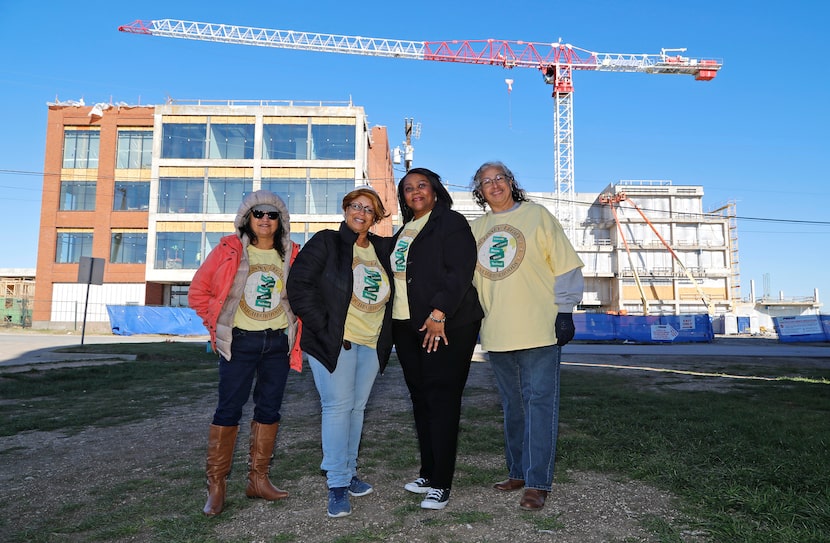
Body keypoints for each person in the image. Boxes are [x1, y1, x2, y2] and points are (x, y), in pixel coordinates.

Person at [469, 161, 584, 511]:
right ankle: (518, 471)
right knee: (512, 407)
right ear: (479, 192)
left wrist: (565, 311)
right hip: (497, 333)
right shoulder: (475, 229)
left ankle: (537, 483)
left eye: (499, 178)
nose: (494, 185)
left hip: (539, 329)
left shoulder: (537, 215)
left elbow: (566, 265)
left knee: (539, 406)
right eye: (485, 182)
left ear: (511, 182)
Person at [188, 189, 302, 517]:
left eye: (272, 214)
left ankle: (258, 480)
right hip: (239, 343)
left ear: (281, 221)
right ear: (247, 219)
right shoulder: (229, 250)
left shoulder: (291, 254)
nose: (265, 219)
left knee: (269, 408)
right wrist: (219, 322)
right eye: (258, 213)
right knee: (228, 409)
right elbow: (198, 292)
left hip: (278, 343)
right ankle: (217, 485)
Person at [287, 187, 394, 518]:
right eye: (356, 206)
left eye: (369, 209)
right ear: (346, 209)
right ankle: (336, 483)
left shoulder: (381, 249)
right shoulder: (326, 242)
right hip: (335, 342)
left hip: (371, 342)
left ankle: (348, 473)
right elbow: (298, 286)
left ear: (375, 218)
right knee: (337, 408)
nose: (361, 213)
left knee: (357, 409)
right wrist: (325, 326)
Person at [391, 167, 484, 510]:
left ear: (434, 191)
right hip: (406, 325)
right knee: (421, 399)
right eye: (408, 188)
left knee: (442, 399)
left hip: (446, 324)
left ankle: (442, 483)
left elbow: (459, 271)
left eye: (421, 185)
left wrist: (438, 313)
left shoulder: (451, 221)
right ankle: (429, 472)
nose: (415, 192)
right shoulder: (404, 229)